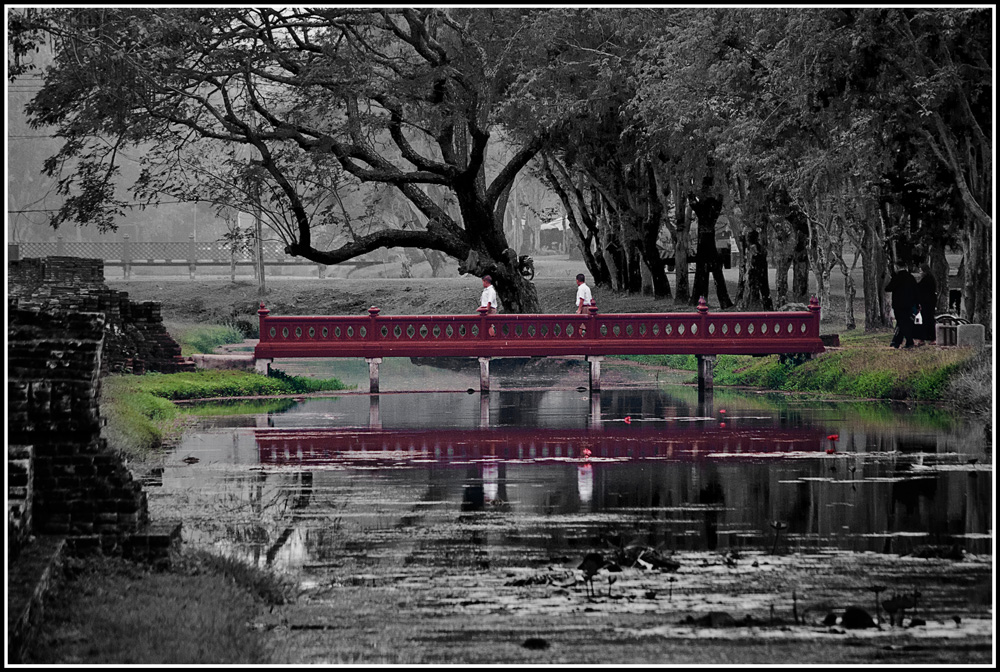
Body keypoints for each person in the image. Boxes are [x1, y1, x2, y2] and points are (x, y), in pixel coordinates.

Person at [884, 261, 918, 349]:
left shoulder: (897, 277)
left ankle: (909, 342)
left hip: (899, 305)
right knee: (903, 323)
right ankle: (896, 342)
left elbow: (888, 288)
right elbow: (915, 291)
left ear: (897, 267)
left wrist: (888, 280)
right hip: (909, 304)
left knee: (902, 324)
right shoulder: (911, 277)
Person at [915, 263, 937, 346]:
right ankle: (929, 338)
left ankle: (926, 338)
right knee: (928, 320)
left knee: (927, 320)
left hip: (927, 302)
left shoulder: (926, 279)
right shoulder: (930, 278)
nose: (920, 272)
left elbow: (920, 288)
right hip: (929, 302)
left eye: (921, 270)